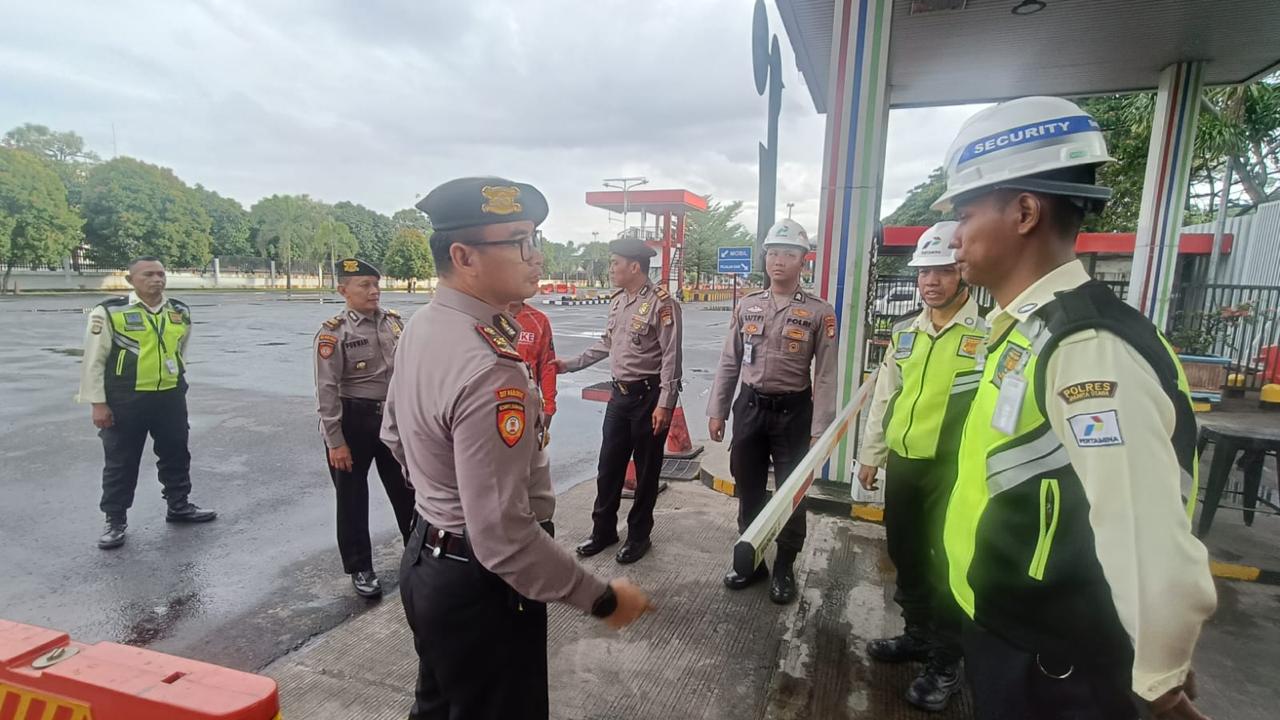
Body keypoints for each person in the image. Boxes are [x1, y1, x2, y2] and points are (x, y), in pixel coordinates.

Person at [934, 96, 1217, 719]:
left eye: (966, 213)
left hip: (1056, 667)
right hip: (1012, 634)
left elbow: (1141, 526)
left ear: (1025, 212)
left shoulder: (1087, 347)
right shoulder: (1030, 328)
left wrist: (1160, 677)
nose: (954, 237)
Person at [383, 177, 652, 720]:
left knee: (436, 707)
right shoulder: (489, 367)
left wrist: (440, 501)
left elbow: (394, 435)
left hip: (427, 562)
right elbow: (503, 536)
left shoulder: (425, 325)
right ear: (464, 257)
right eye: (521, 242)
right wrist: (600, 598)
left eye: (536, 239)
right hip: (481, 588)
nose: (537, 256)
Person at [854, 221, 987, 712]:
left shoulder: (989, 334)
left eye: (943, 271)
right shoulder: (905, 332)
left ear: (963, 272)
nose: (931, 281)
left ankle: (947, 660)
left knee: (950, 564)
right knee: (906, 552)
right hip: (906, 465)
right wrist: (871, 454)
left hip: (955, 472)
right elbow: (885, 397)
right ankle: (917, 634)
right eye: (924, 272)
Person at [706, 219, 837, 605]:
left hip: (794, 414)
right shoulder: (748, 305)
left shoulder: (819, 312)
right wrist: (718, 410)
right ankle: (752, 562)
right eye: (773, 253)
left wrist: (820, 430)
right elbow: (729, 362)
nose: (779, 260)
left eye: (788, 254)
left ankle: (784, 567)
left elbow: (826, 375)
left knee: (792, 494)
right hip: (750, 409)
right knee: (747, 487)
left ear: (803, 261)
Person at [553, 237, 683, 565]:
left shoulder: (662, 304)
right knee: (608, 467)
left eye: (615, 263)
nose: (611, 269)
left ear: (634, 266)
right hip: (619, 398)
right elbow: (607, 343)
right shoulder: (618, 301)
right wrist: (570, 364)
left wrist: (665, 403)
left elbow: (671, 357)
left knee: (646, 471)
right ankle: (603, 531)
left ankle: (639, 536)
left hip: (648, 398)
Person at [77, 257, 217, 550]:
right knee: (121, 461)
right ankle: (115, 520)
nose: (157, 279)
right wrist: (97, 403)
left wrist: (177, 380)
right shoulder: (110, 312)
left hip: (169, 396)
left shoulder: (179, 310)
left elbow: (180, 351)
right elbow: (94, 360)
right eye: (148, 274)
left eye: (161, 274)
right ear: (131, 280)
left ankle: (178, 505)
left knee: (176, 453)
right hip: (126, 399)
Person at [313, 257, 415, 598]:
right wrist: (335, 441)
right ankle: (360, 567)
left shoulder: (395, 323)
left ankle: (418, 554)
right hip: (352, 421)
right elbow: (326, 389)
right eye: (365, 285)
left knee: (407, 488)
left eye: (376, 284)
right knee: (352, 498)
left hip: (392, 418)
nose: (374, 291)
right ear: (344, 290)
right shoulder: (334, 332)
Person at [510, 299, 558, 435]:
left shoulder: (539, 320)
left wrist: (549, 406)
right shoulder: (483, 316)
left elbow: (547, 366)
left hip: (526, 406)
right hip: (487, 406)